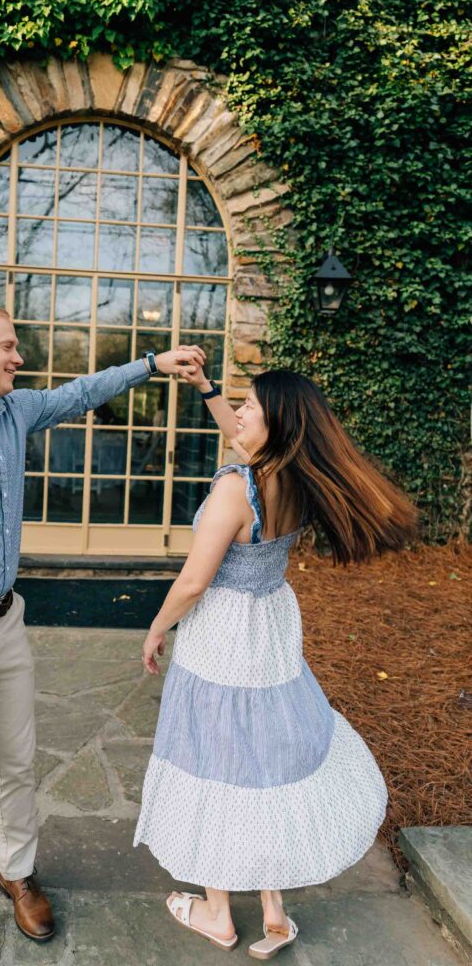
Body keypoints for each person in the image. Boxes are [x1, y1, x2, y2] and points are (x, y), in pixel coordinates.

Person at [0, 298, 205, 966]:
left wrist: (151, 364)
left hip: (6, 625)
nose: (19, 357)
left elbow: (82, 392)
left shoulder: (14, 414)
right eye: (9, 345)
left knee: (16, 765)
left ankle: (16, 872)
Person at [134, 365, 417, 959]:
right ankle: (273, 910)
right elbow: (245, 440)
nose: (239, 413)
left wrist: (157, 628)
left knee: (216, 754)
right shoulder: (295, 475)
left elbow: (192, 582)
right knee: (264, 755)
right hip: (270, 628)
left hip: (224, 632)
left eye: (250, 407)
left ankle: (217, 913)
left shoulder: (236, 488)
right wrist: (211, 393)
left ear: (277, 424)